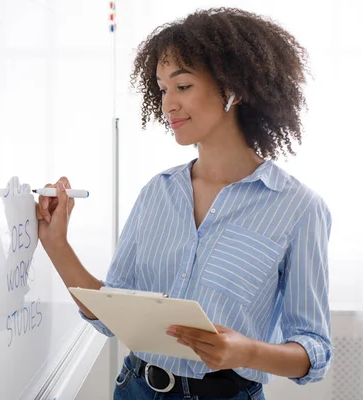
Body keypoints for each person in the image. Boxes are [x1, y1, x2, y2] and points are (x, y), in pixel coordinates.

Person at [35, 7, 332, 400]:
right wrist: (57, 244)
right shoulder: (157, 193)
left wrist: (246, 352)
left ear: (234, 88)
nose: (167, 105)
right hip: (134, 388)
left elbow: (314, 350)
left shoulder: (298, 208)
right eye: (161, 89)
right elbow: (112, 314)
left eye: (183, 86)